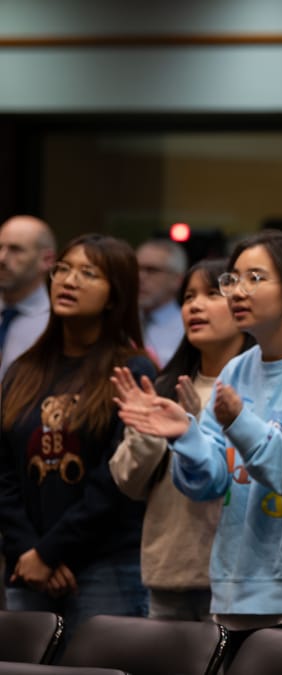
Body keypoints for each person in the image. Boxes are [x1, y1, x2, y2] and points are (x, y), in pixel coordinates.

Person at [114, 230, 282, 663]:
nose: (238, 291)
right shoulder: (237, 371)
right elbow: (210, 484)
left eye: (255, 278)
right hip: (241, 591)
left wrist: (241, 423)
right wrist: (186, 436)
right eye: (233, 279)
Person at [0, 234, 153, 637]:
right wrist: (27, 552)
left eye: (88, 273)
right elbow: (4, 472)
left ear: (115, 295)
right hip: (25, 564)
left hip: (105, 565)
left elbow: (116, 480)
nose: (69, 281)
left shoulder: (131, 370)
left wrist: (52, 553)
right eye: (63, 269)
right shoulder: (23, 370)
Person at [109, 259, 253, 621]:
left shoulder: (258, 387)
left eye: (211, 294)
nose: (195, 306)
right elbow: (128, 482)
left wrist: (196, 430)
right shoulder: (164, 388)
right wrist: (151, 434)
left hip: (241, 573)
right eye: (188, 296)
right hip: (169, 567)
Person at [0, 215, 56, 382]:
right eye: (0, 247)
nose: (2, 258)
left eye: (16, 250)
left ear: (47, 260)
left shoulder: (56, 322)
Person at [137, 239, 188, 366]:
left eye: (152, 270)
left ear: (177, 280)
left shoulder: (188, 328)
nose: (140, 277)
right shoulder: (120, 322)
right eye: (136, 268)